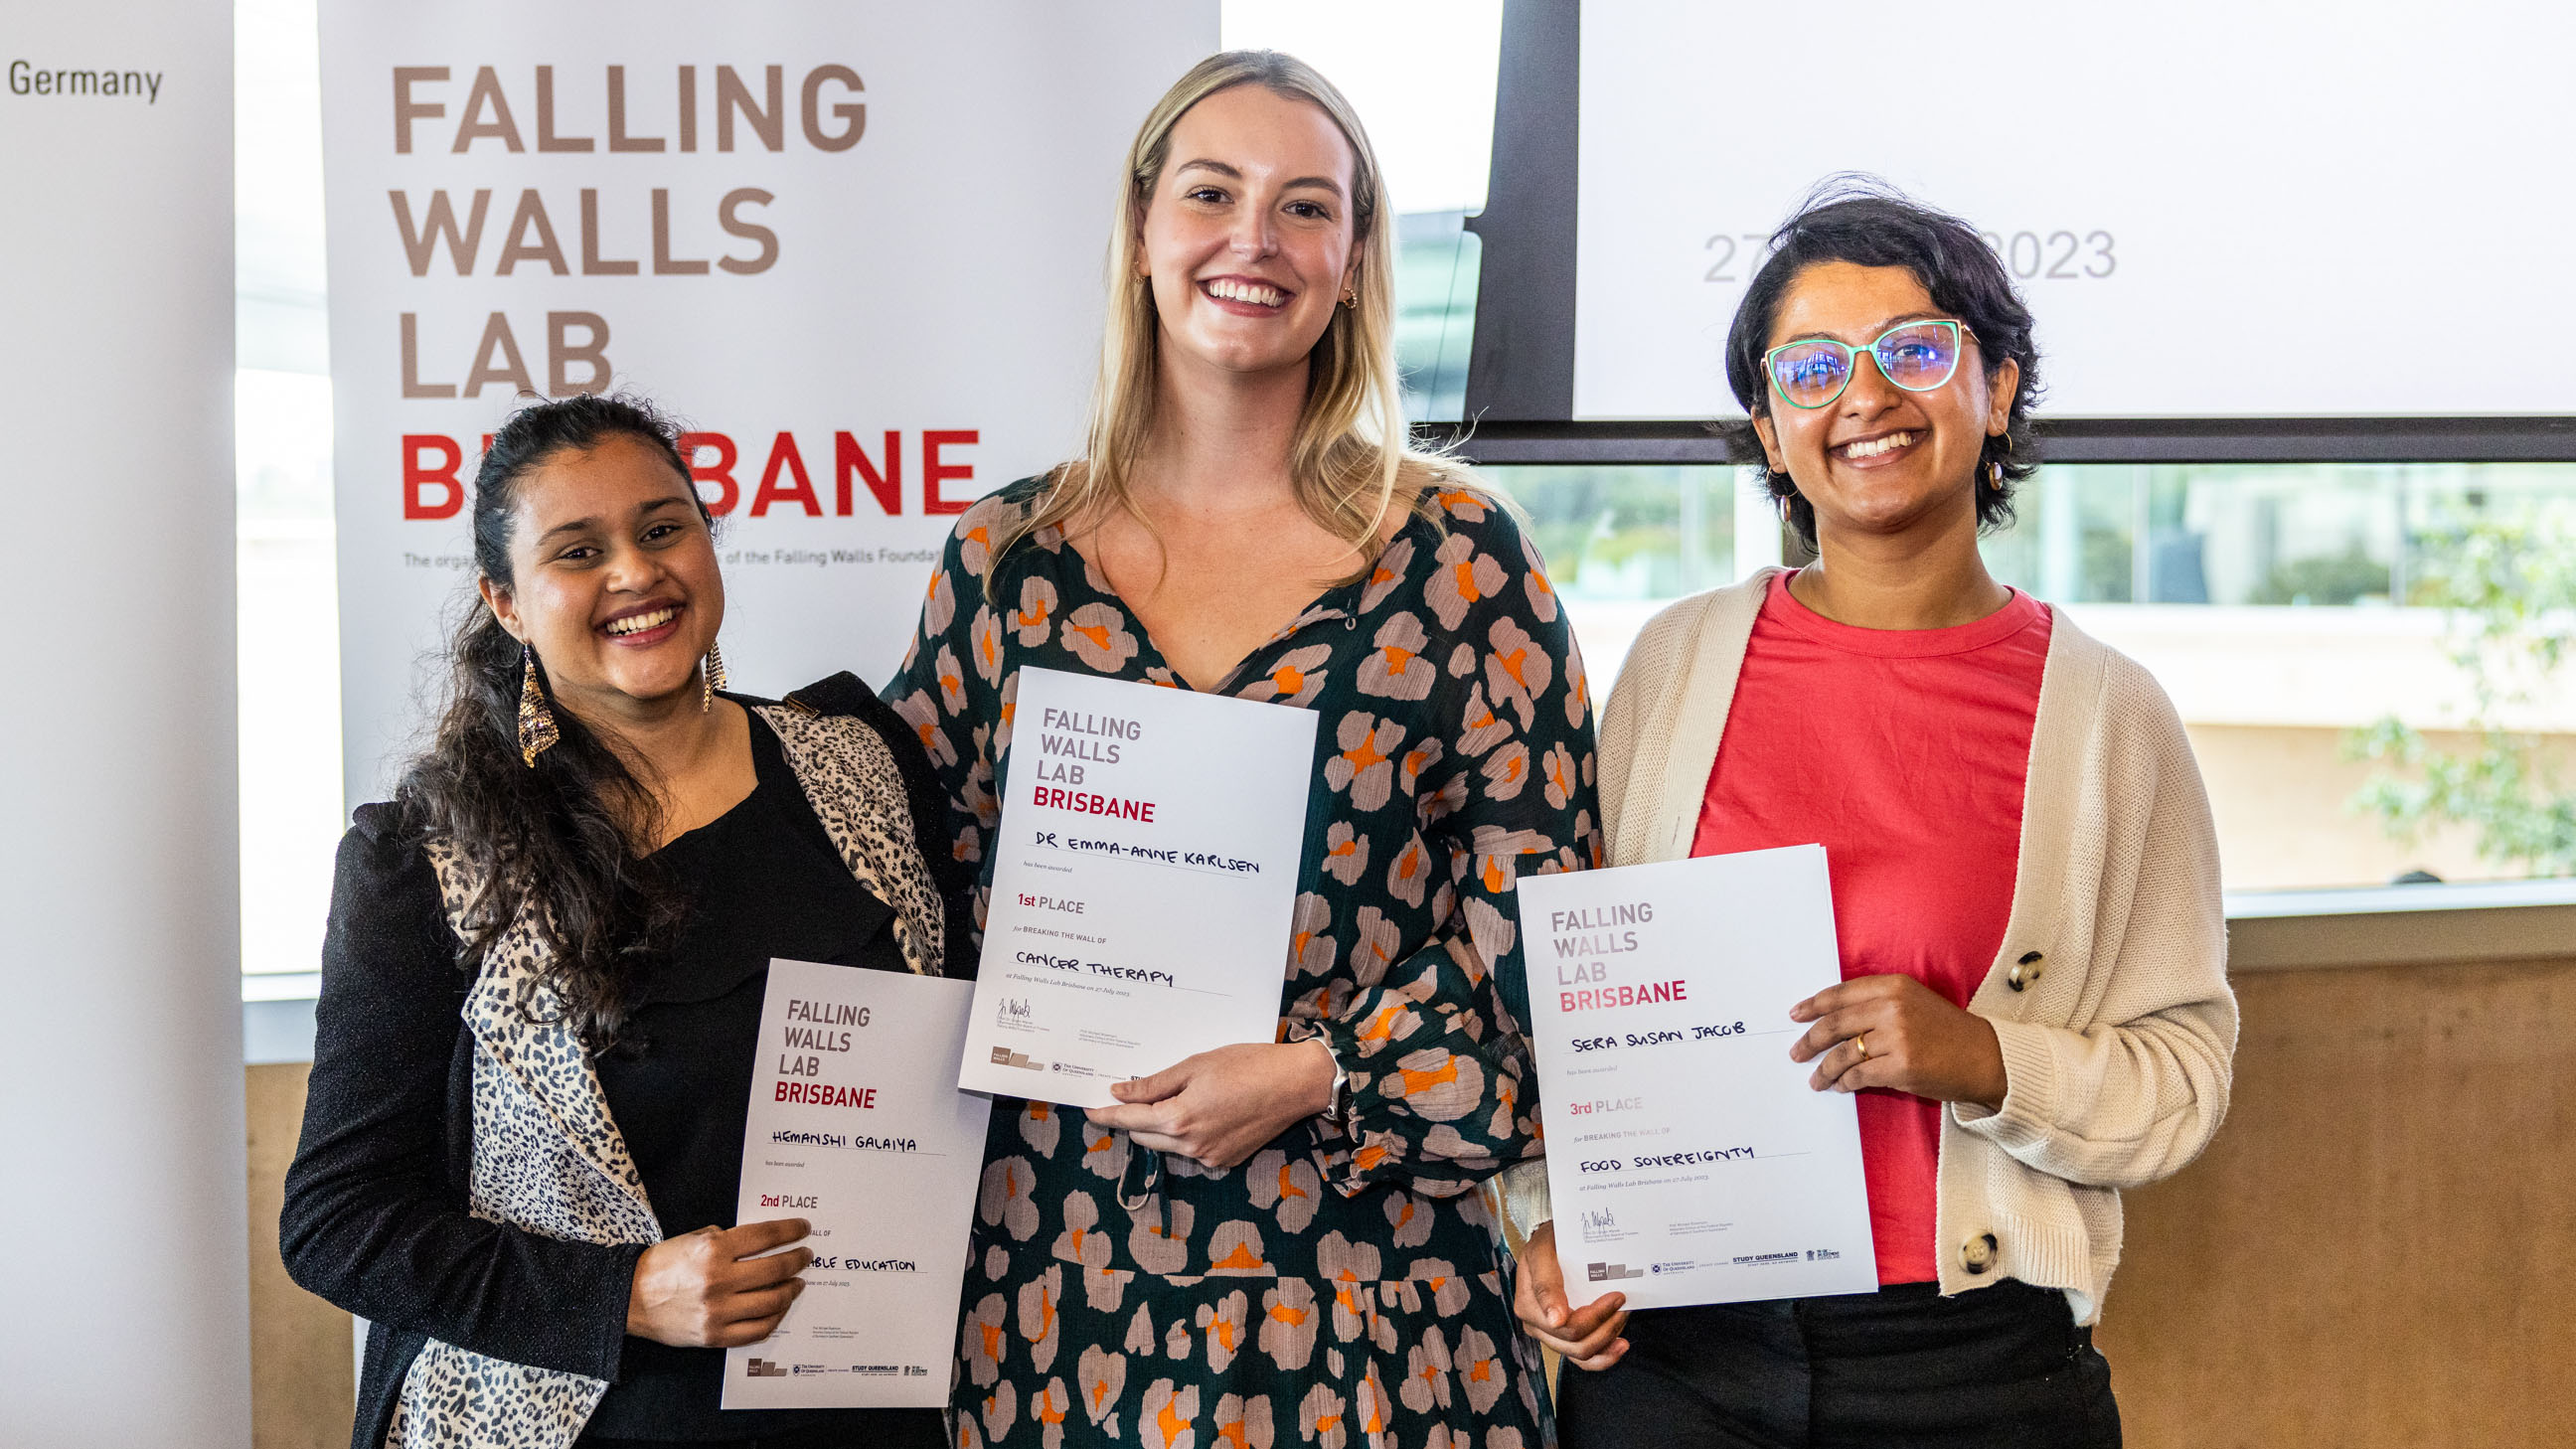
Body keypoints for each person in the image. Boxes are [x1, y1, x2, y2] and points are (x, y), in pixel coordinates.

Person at [886, 50, 1598, 1449]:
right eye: (1212, 192)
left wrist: (1326, 1068)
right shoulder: (1004, 566)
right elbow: (918, 927)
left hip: (1379, 1308)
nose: (1253, 241)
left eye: (1306, 207)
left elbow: (1553, 969)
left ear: (1354, 260)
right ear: (1144, 226)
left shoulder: (1457, 563)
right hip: (1054, 1291)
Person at [1508, 186, 2238, 1447]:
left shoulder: (2110, 718)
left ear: (1997, 388)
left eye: (1915, 349)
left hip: (1972, 1371)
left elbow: (2182, 1078)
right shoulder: (1672, 670)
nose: (1865, 396)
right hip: (1673, 1362)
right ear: (1769, 428)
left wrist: (1980, 1058)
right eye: (1812, 367)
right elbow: (1569, 1002)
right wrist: (1546, 1224)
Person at [280, 393, 975, 1449]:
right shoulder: (430, 858)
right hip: (594, 1416)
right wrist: (624, 1295)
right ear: (506, 603)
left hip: (874, 1403)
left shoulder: (856, 761)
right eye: (577, 551)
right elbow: (337, 1224)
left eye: (664, 528)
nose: (636, 573)